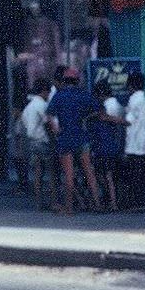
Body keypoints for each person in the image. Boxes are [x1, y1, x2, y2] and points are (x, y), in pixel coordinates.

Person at [47, 68, 102, 214]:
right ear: (77, 81)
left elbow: (49, 115)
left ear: (64, 81)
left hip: (65, 138)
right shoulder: (84, 95)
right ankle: (97, 204)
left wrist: (55, 128)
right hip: (82, 137)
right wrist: (86, 118)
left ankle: (69, 208)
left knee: (69, 174)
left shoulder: (59, 96)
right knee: (89, 171)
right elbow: (98, 110)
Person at [122, 72, 145, 209]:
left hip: (135, 144)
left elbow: (127, 121)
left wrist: (107, 118)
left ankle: (138, 204)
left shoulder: (134, 100)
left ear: (131, 86)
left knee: (135, 175)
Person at [89, 79, 124, 210]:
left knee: (105, 175)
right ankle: (113, 201)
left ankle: (111, 201)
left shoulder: (106, 109)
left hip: (104, 147)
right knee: (110, 176)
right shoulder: (118, 106)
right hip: (114, 146)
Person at [19, 78, 54, 210]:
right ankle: (53, 201)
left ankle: (39, 202)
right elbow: (47, 123)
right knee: (51, 173)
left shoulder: (28, 106)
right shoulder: (42, 105)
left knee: (38, 173)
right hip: (42, 141)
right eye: (49, 91)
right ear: (44, 91)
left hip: (32, 142)